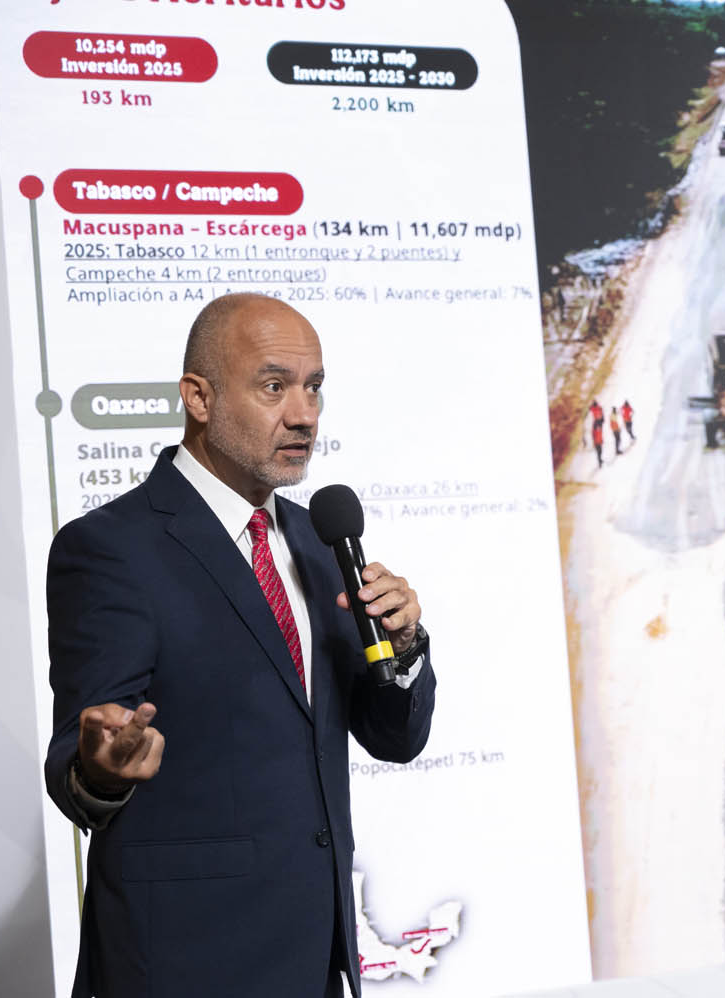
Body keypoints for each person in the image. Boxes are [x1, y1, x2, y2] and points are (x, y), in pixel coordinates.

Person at [43, 293, 436, 998]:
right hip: (182, 965)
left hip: (315, 956)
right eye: (274, 386)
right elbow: (79, 764)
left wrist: (403, 648)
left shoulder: (319, 540)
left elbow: (393, 739)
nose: (304, 414)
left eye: (314, 387)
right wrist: (103, 771)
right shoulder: (108, 550)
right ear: (199, 397)